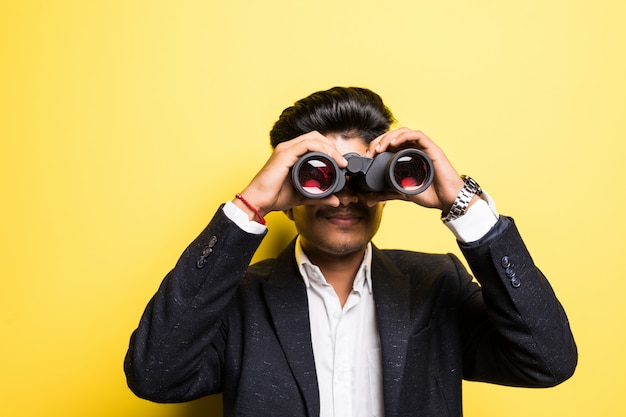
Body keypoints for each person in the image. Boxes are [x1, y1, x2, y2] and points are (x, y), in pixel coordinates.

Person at [124, 87, 577, 417]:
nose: (345, 198)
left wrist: (462, 202)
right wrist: (248, 206)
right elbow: (155, 375)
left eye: (364, 180)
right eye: (322, 178)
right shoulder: (237, 300)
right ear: (289, 191)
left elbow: (548, 360)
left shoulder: (437, 283)